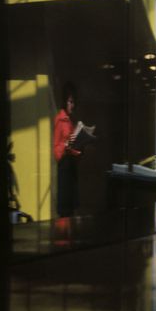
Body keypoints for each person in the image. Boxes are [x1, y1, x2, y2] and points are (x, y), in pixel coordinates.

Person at [53, 83, 94, 217]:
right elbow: (56, 150)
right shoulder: (60, 120)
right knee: (65, 207)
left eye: (74, 102)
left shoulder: (69, 121)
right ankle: (63, 234)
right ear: (64, 101)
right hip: (64, 167)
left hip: (71, 166)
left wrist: (80, 147)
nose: (72, 105)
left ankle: (68, 233)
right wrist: (66, 144)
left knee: (71, 207)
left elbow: (71, 146)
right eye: (70, 102)